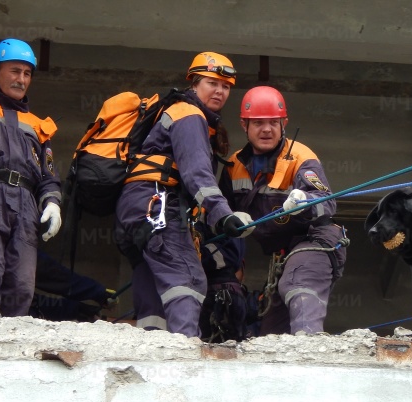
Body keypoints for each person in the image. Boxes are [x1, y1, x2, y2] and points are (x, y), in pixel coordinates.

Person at [114, 51, 253, 338]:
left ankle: (153, 343)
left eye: (226, 86)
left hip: (136, 207)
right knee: (187, 278)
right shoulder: (189, 114)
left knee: (153, 278)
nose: (220, 91)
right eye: (212, 83)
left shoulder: (173, 110)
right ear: (194, 83)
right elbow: (196, 175)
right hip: (158, 204)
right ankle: (184, 355)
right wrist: (222, 215)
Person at [220, 86, 348, 335]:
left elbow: (328, 202)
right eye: (258, 123)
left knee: (298, 281)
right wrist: (228, 220)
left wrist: (304, 203)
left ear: (284, 123)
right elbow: (219, 210)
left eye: (273, 122)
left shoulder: (301, 157)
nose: (266, 129)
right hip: (282, 254)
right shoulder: (234, 165)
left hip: (315, 239)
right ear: (244, 125)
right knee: (273, 330)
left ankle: (309, 348)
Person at [0, 38, 62, 317]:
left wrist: (52, 203)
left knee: (21, 283)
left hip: (25, 207)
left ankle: (9, 339)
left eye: (27, 73)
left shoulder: (38, 124)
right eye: (14, 71)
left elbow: (49, 174)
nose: (21, 79)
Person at [30, 250, 117, 322]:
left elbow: (30, 301)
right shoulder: (20, 244)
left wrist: (76, 310)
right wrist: (96, 291)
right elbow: (48, 273)